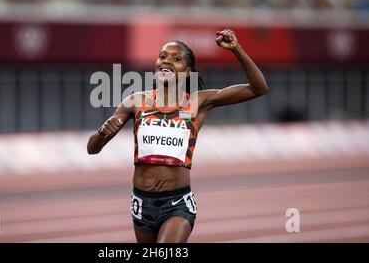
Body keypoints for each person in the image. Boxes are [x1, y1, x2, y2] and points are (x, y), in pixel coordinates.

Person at [87, 28, 269, 243]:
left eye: (177, 59)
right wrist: (101, 133)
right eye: (162, 56)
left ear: (188, 72)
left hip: (177, 203)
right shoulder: (135, 102)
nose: (167, 61)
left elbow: (259, 88)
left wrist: (236, 49)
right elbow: (92, 149)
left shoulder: (199, 102)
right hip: (141, 203)